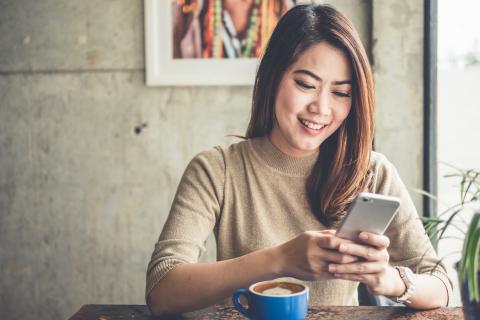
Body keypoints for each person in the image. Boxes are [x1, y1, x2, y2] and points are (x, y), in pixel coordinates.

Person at [146, 4, 452, 315]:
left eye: (341, 93)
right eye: (306, 85)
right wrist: (280, 259)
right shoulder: (217, 170)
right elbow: (162, 290)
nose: (321, 108)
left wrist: (388, 280)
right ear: (273, 77)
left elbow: (441, 285)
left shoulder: (371, 172)